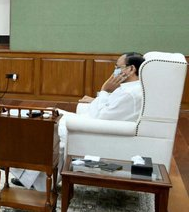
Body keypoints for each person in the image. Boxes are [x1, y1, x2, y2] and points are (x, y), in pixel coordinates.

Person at [12, 52, 145, 190]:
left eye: (118, 67)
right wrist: (98, 99)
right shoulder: (129, 89)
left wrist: (104, 91)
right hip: (90, 122)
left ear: (131, 69)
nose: (115, 71)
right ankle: (31, 176)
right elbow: (108, 108)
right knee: (48, 112)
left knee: (45, 124)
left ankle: (22, 171)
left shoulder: (130, 94)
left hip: (90, 128)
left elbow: (100, 117)